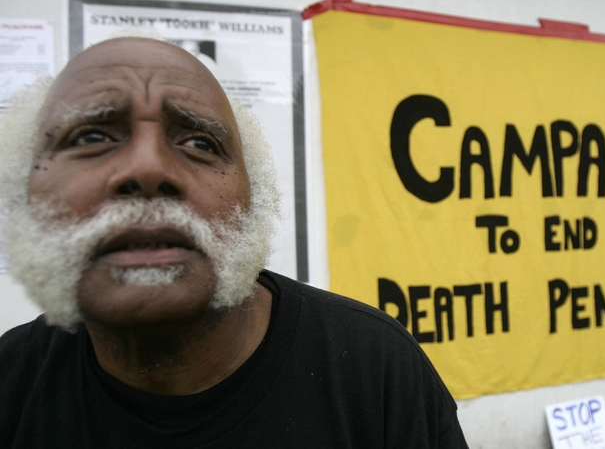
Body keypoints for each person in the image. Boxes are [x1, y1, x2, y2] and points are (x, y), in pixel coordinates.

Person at [0, 36, 468, 448]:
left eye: (200, 144)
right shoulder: (10, 380)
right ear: (24, 189)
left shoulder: (373, 369)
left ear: (253, 198)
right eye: (94, 135)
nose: (148, 169)